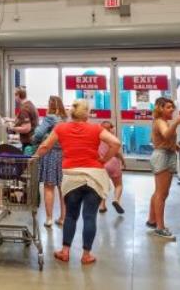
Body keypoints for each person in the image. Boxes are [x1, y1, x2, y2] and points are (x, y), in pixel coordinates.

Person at [35, 100, 121, 265]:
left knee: (71, 216)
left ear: (71, 113)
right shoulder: (96, 128)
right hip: (94, 177)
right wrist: (104, 159)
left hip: (72, 176)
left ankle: (65, 251)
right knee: (89, 217)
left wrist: (33, 159)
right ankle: (86, 255)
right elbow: (115, 143)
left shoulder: (61, 128)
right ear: (87, 113)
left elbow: (45, 146)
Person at [147, 97, 180, 240]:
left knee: (159, 192)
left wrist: (174, 146)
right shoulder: (160, 122)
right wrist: (176, 122)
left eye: (172, 107)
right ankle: (160, 227)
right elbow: (166, 134)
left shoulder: (163, 122)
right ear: (160, 109)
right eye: (168, 107)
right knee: (162, 194)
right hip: (163, 157)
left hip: (166, 154)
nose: (172, 110)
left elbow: (164, 139)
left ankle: (152, 220)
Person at [32, 96, 67, 228]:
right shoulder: (65, 119)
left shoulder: (50, 117)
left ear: (50, 105)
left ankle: (49, 218)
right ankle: (63, 218)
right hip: (63, 155)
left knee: (49, 186)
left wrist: (34, 137)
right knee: (63, 188)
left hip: (51, 154)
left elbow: (39, 134)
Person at [98, 121, 126, 214]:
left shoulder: (98, 139)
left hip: (102, 164)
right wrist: (123, 161)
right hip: (113, 163)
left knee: (103, 186)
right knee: (118, 185)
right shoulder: (112, 139)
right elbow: (116, 153)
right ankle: (116, 200)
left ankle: (102, 205)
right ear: (111, 129)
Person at [10, 86, 39, 152]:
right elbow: (23, 120)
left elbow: (26, 128)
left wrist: (12, 128)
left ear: (18, 95)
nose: (14, 98)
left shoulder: (25, 109)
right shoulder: (29, 104)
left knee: (27, 161)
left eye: (15, 95)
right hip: (32, 140)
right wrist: (10, 120)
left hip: (28, 142)